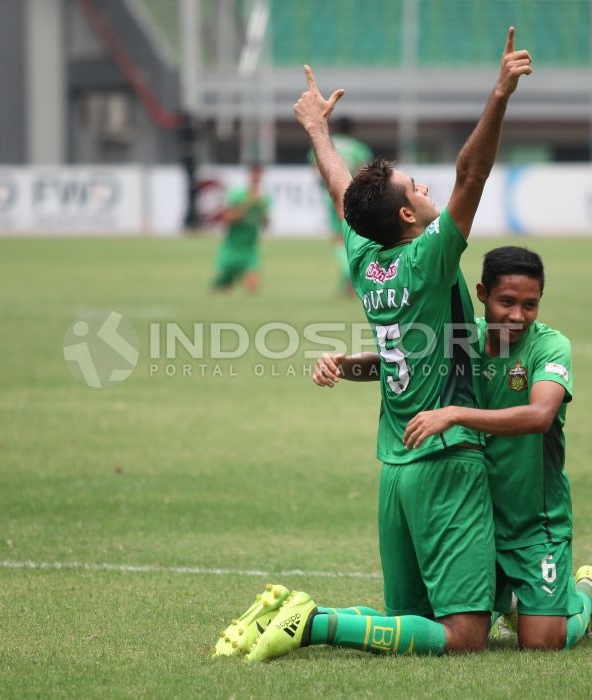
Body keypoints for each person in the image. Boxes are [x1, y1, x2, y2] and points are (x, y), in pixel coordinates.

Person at [214, 27, 532, 662]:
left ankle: (288, 614)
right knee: (466, 638)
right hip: (444, 458)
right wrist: (499, 94)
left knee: (410, 625)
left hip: (394, 469)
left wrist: (316, 131)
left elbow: (342, 192)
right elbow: (473, 171)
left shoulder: (366, 257)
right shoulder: (427, 262)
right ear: (410, 220)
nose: (428, 191)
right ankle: (316, 620)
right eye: (418, 188)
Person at [322, 246, 592, 651]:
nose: (517, 316)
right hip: (475, 516)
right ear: (482, 294)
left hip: (532, 522)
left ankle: (583, 596)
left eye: (530, 305)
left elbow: (540, 414)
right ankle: (510, 599)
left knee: (543, 643)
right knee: (444, 620)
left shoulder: (550, 346)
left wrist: (455, 414)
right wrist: (343, 364)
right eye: (506, 302)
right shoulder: (460, 337)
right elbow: (393, 361)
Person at [308, 117, 373, 296]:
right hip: (354, 196)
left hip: (333, 196)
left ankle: (348, 273)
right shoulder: (359, 148)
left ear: (336, 128)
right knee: (354, 236)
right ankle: (351, 283)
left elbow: (316, 169)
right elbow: (364, 173)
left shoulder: (326, 146)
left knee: (339, 238)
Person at [210, 163, 270, 293]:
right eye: (254, 174)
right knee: (223, 288)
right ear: (249, 176)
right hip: (232, 247)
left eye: (259, 175)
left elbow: (265, 224)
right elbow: (227, 219)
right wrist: (248, 204)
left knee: (252, 287)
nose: (256, 178)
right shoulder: (237, 194)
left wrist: (262, 211)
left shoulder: (265, 198)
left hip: (249, 249)